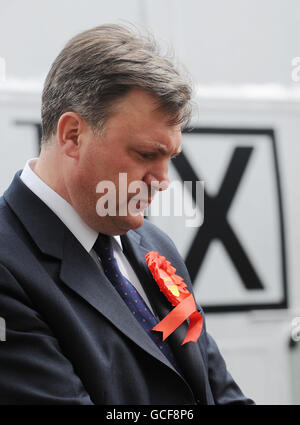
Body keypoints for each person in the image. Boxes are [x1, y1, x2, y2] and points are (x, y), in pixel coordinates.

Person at [0, 24, 254, 405]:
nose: (164, 181)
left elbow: (220, 392)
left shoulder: (154, 244)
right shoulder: (8, 264)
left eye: (170, 158)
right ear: (72, 135)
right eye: (146, 155)